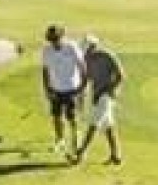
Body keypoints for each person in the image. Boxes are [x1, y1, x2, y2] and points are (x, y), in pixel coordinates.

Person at [78, 34, 125, 166]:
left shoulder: (107, 55)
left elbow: (120, 75)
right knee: (108, 126)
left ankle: (81, 153)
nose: (86, 53)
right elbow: (86, 79)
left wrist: (108, 90)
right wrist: (79, 93)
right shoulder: (86, 60)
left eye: (88, 49)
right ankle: (116, 155)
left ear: (94, 46)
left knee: (94, 124)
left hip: (107, 96)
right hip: (96, 95)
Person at [39, 25, 85, 155]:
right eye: (51, 40)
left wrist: (82, 87)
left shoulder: (72, 47)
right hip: (55, 89)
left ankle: (77, 142)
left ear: (62, 37)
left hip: (72, 88)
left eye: (55, 39)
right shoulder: (46, 50)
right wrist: (47, 89)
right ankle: (60, 141)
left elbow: (82, 67)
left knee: (72, 118)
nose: (53, 42)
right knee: (56, 117)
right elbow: (45, 70)